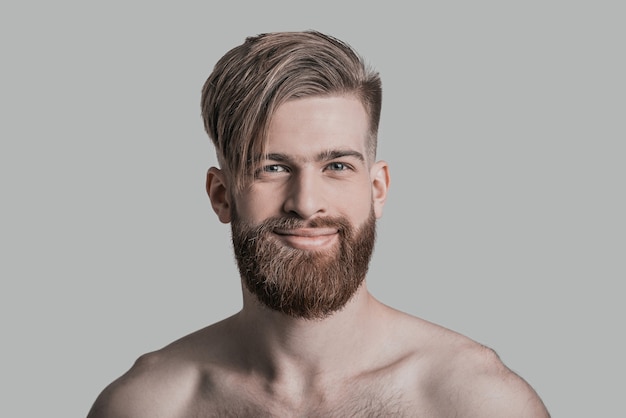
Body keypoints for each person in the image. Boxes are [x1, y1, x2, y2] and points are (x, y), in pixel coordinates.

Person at [87, 30, 550, 417]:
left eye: (337, 166)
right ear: (221, 195)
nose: (306, 204)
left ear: (378, 189)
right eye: (272, 167)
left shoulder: (475, 402)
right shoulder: (149, 406)